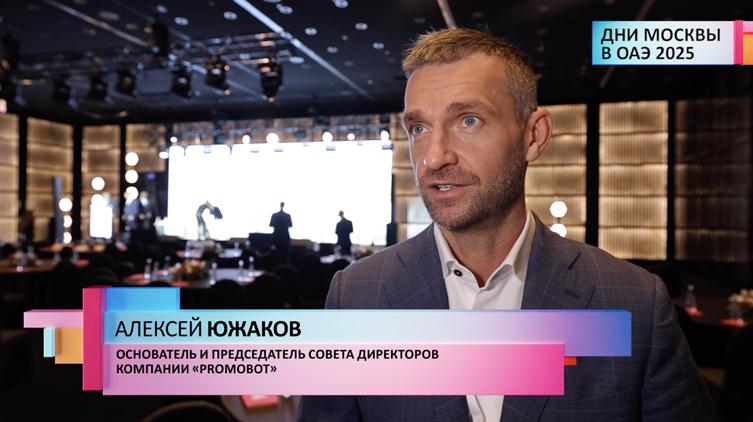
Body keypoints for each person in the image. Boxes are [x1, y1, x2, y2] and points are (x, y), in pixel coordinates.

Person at [298, 29, 715, 422]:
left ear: (533, 136)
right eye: (419, 128)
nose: (434, 156)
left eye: (469, 120)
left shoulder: (635, 301)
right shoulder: (356, 295)